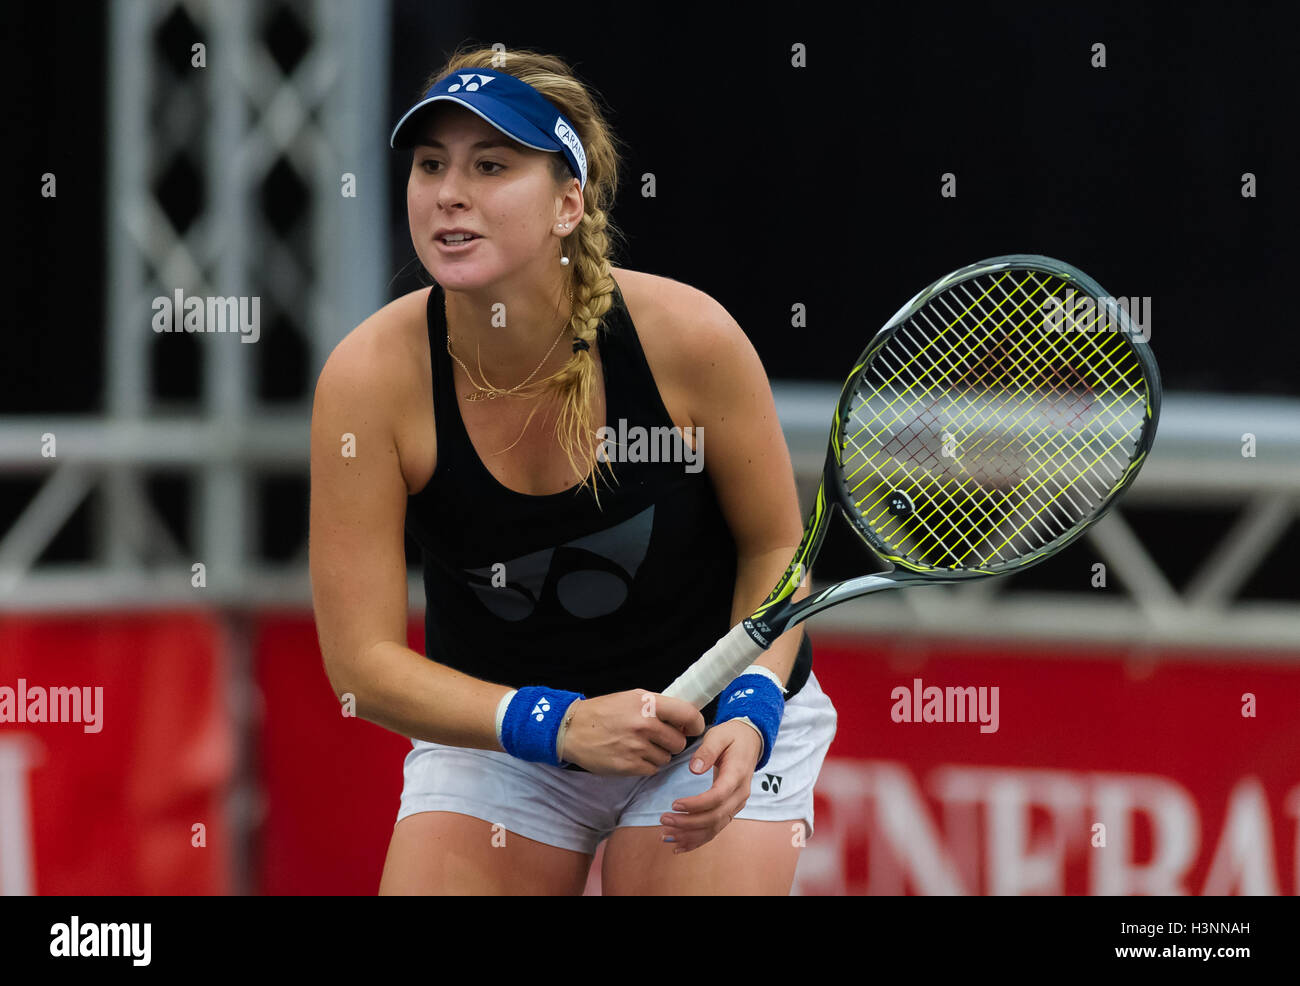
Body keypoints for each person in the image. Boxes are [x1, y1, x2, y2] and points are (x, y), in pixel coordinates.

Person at [309, 45, 837, 895]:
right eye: (430, 164)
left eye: (491, 166)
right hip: (508, 734)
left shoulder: (689, 338)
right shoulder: (368, 380)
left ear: (568, 203)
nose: (449, 192)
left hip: (703, 716)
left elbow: (777, 549)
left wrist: (752, 707)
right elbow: (362, 667)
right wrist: (553, 724)